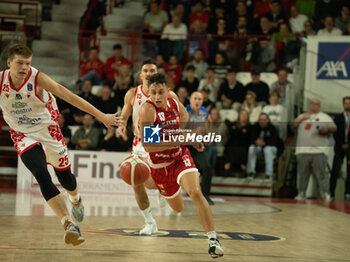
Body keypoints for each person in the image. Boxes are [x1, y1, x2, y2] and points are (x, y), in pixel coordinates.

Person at [0, 44, 120, 245]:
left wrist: (101, 116)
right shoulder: (1, 81)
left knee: (66, 178)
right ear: (9, 63)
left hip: (47, 129)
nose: (24, 67)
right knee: (41, 174)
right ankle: (68, 224)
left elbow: (71, 97)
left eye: (27, 63)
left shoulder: (38, 78)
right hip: (22, 133)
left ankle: (76, 198)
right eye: (19, 63)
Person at [138, 73, 224, 258]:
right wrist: (179, 138)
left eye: (161, 92)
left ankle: (213, 239)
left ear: (168, 91)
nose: (157, 97)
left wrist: (187, 140)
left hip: (179, 158)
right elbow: (148, 145)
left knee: (195, 192)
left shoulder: (174, 100)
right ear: (149, 93)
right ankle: (158, 188)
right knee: (178, 208)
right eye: (153, 93)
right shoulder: (148, 110)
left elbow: (184, 117)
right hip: (160, 165)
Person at [118, 60, 185, 235]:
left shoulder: (168, 95)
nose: (148, 73)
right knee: (136, 180)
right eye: (145, 70)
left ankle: (162, 188)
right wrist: (121, 124)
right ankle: (150, 222)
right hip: (139, 142)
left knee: (154, 182)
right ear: (140, 75)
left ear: (157, 73)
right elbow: (124, 114)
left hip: (160, 141)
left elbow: (181, 116)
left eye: (152, 70)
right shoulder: (132, 93)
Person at [293, 99, 336, 201]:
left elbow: (334, 128)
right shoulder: (302, 116)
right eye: (312, 104)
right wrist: (301, 119)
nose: (314, 106)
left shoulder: (325, 117)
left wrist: (327, 130)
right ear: (309, 105)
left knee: (321, 174)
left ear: (319, 105)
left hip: (318, 151)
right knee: (303, 174)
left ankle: (325, 193)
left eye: (316, 104)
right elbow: (293, 126)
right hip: (302, 150)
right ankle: (302, 192)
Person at [185, 91, 215, 205]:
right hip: (185, 146)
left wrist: (209, 136)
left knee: (207, 167)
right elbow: (178, 129)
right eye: (195, 99)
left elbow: (209, 122)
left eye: (200, 99)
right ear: (190, 100)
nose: (197, 101)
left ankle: (206, 195)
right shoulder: (185, 110)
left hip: (197, 146)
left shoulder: (204, 111)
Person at [246, 113, 279, 179]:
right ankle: (250, 172)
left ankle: (268, 174)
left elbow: (274, 141)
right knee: (251, 148)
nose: (262, 121)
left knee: (267, 149)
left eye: (264, 119)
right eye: (260, 120)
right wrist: (256, 142)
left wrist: (264, 143)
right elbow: (251, 139)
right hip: (259, 147)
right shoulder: (255, 127)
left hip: (271, 148)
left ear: (268, 120)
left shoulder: (272, 128)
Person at [330, 97, 350, 201]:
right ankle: (331, 193)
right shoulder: (338, 118)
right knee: (335, 170)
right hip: (339, 147)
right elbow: (335, 133)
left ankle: (348, 193)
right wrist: (341, 143)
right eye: (346, 103)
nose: (348, 105)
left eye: (349, 103)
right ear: (343, 105)